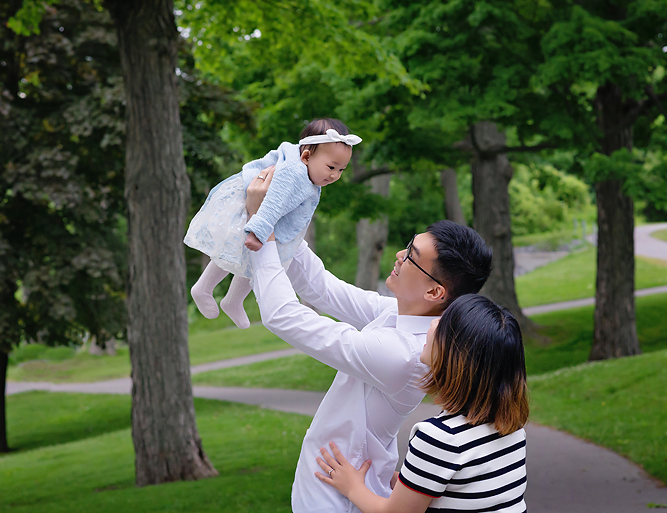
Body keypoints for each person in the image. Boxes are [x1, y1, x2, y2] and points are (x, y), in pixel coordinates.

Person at [245, 171, 494, 513]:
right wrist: (281, 215)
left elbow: (284, 317)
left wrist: (261, 231)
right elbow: (322, 289)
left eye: (412, 256)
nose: (398, 255)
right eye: (409, 245)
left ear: (435, 291)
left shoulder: (403, 355)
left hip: (334, 501)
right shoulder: (403, 315)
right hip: (331, 490)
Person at [314, 294, 529, 513]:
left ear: (457, 356)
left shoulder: (440, 439)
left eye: (444, 324)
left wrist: (352, 487)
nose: (433, 322)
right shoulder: (512, 429)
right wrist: (412, 484)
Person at [184, 118, 361, 329]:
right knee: (236, 249)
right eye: (331, 167)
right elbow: (272, 203)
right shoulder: (293, 174)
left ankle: (233, 300)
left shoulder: (306, 172)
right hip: (256, 212)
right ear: (306, 156)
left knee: (252, 261)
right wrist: (258, 231)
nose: (334, 175)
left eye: (341, 170)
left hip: (266, 218)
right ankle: (203, 288)